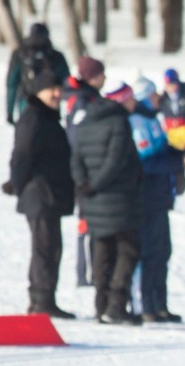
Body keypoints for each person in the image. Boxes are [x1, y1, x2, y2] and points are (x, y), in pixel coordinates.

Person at [3, 70, 76, 319]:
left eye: (59, 88)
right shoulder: (33, 118)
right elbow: (22, 154)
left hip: (49, 194)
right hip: (40, 195)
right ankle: (41, 300)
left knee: (51, 248)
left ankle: (46, 299)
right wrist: (17, 183)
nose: (57, 94)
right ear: (38, 91)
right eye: (51, 89)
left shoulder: (47, 117)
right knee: (45, 249)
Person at [71, 81, 144, 325]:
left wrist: (84, 184)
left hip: (92, 200)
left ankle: (100, 305)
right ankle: (115, 306)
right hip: (118, 199)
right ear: (120, 100)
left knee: (101, 253)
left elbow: (76, 158)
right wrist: (97, 184)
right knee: (128, 251)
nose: (134, 103)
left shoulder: (85, 121)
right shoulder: (119, 123)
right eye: (130, 98)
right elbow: (116, 160)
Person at [129, 75, 185, 323]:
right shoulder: (137, 121)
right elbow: (146, 162)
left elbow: (162, 151)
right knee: (149, 252)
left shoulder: (153, 119)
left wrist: (180, 149)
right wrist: (178, 161)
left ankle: (160, 304)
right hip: (145, 199)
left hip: (160, 198)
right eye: (153, 95)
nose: (158, 99)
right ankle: (146, 305)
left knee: (163, 251)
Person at [62, 55, 107, 288]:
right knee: (87, 222)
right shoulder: (81, 100)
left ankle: (89, 271)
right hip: (84, 168)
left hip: (82, 166)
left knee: (88, 221)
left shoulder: (80, 96)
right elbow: (77, 136)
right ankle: (85, 272)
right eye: (101, 75)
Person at [4, 22, 70, 126]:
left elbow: (11, 84)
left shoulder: (20, 54)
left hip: (26, 103)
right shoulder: (56, 56)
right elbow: (67, 83)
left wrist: (9, 112)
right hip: (51, 104)